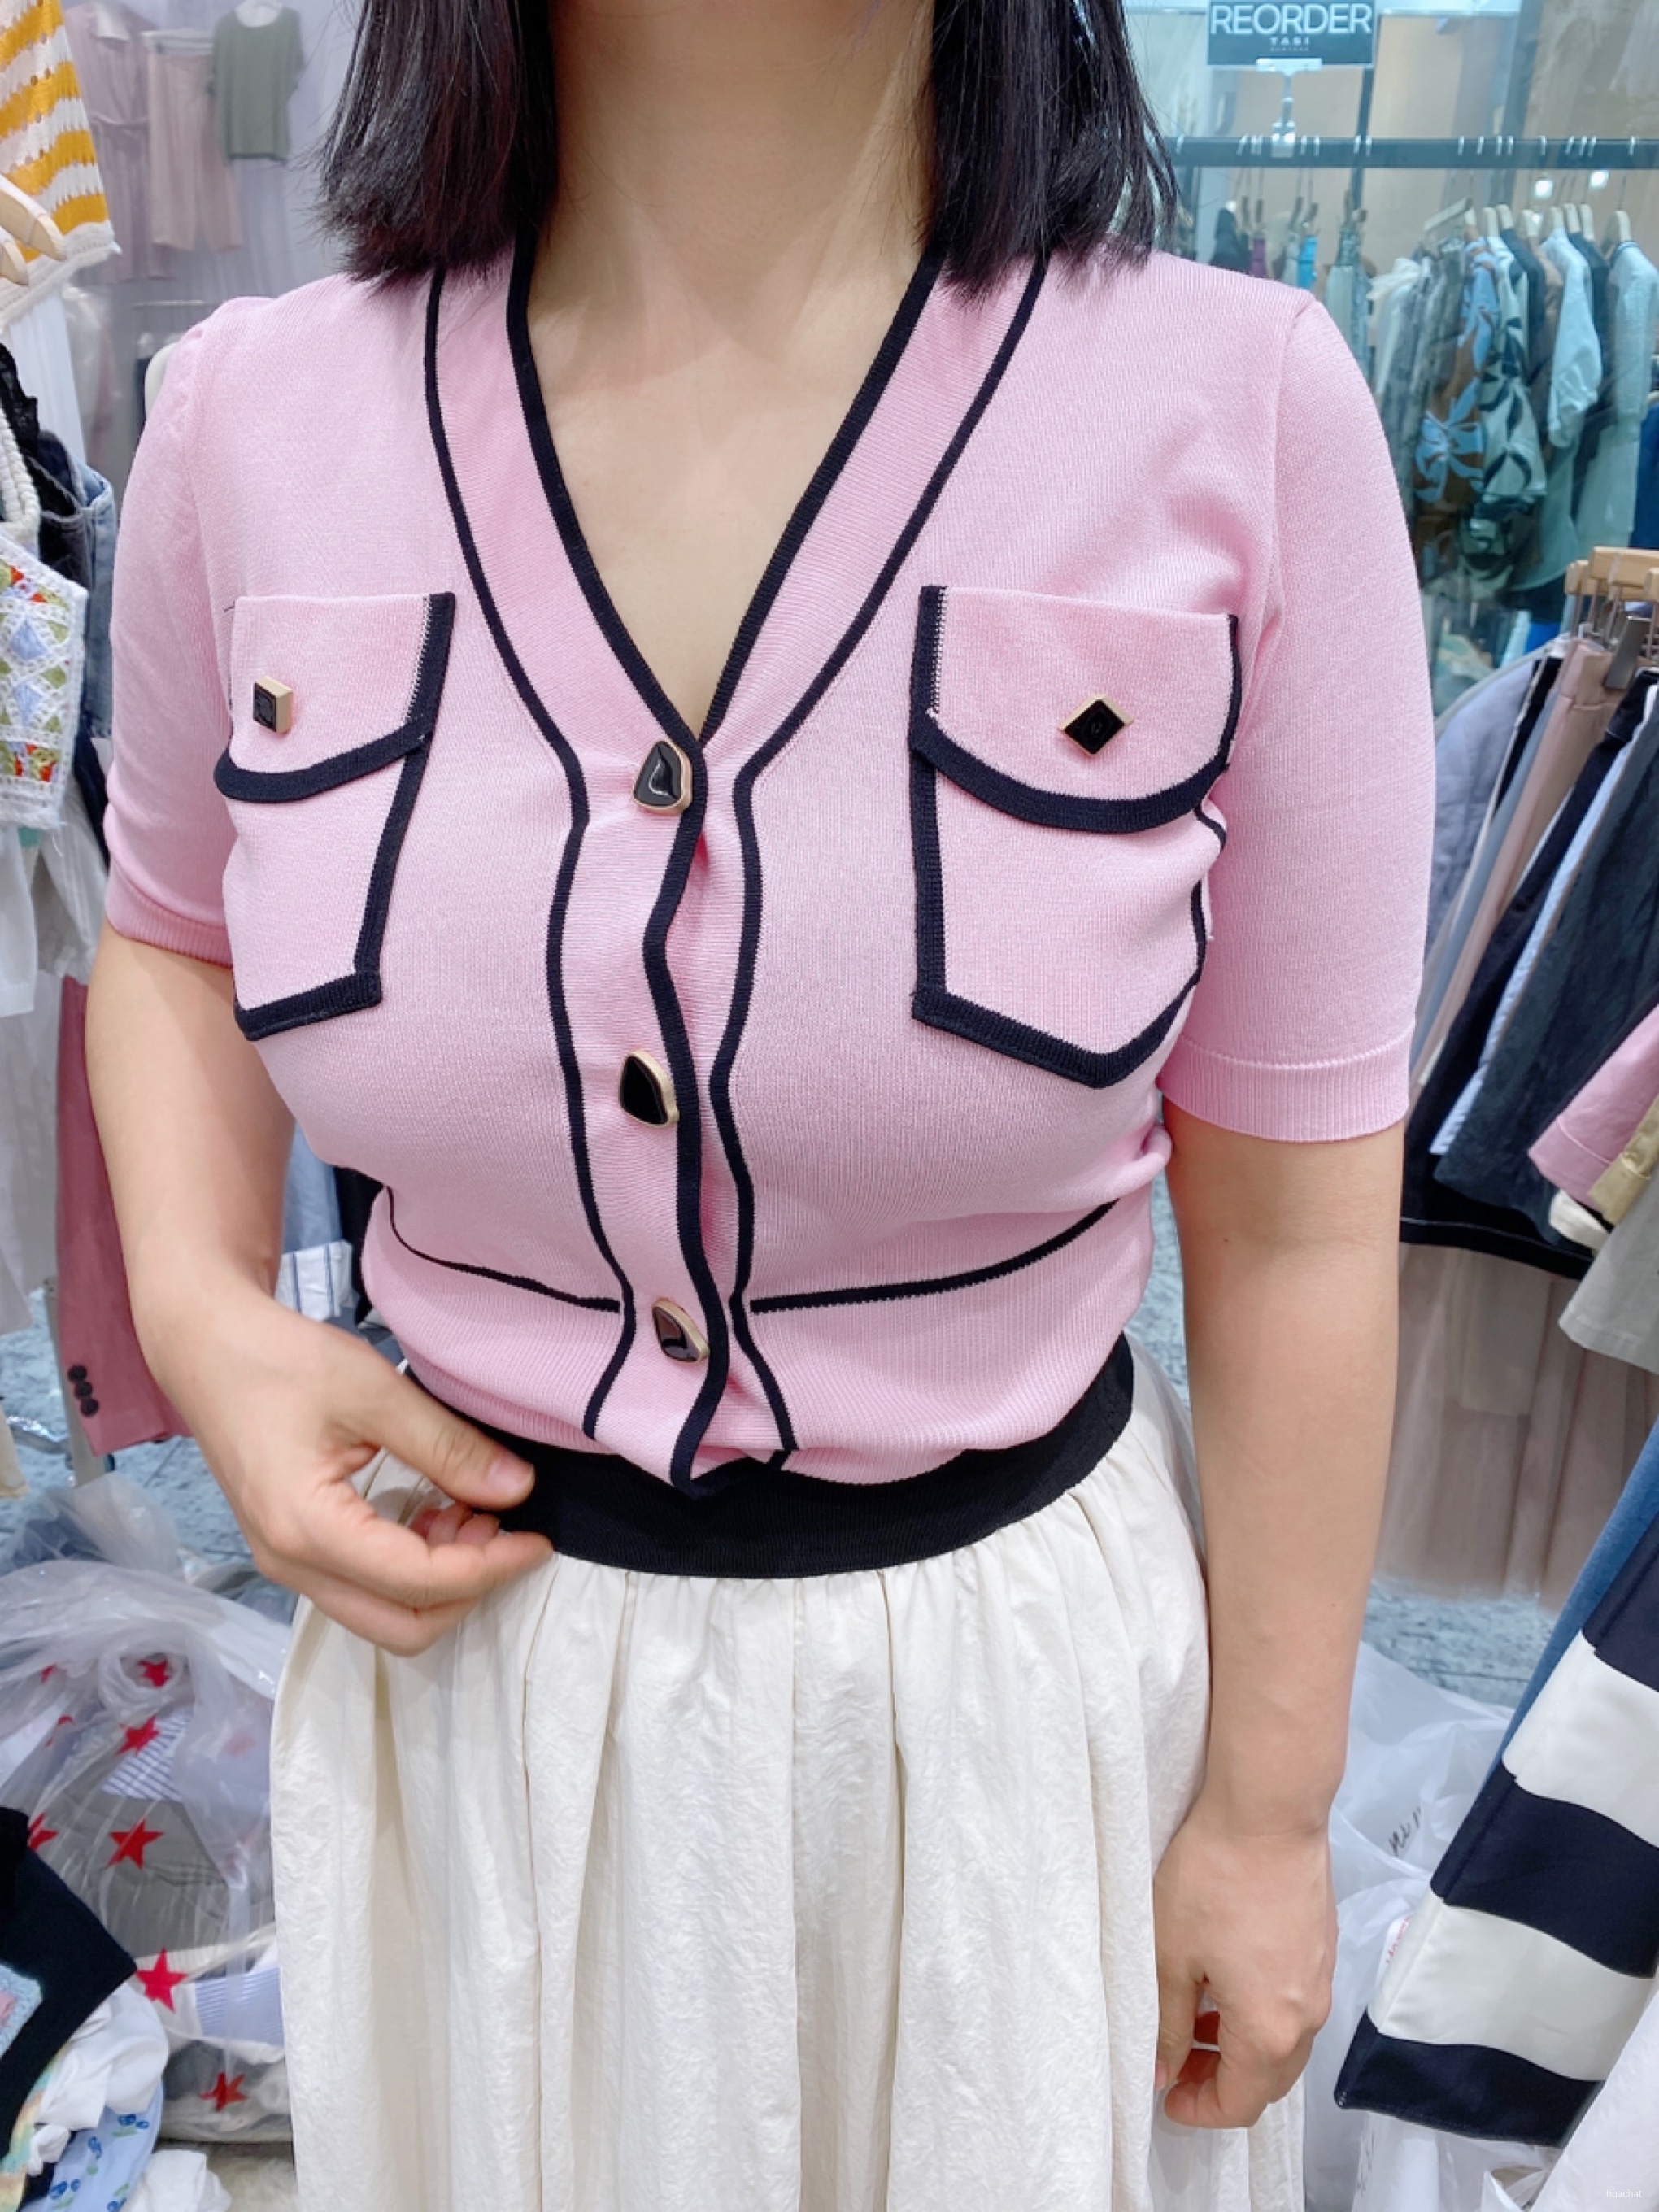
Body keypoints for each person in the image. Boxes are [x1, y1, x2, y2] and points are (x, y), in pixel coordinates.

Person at [85, 0, 1434, 2202]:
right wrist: (201, 1308)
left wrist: (1274, 1814)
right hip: (473, 1699)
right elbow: (173, 926)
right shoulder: (249, 422)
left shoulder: (1243, 414)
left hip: (1004, 1726)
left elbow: (1295, 1213)